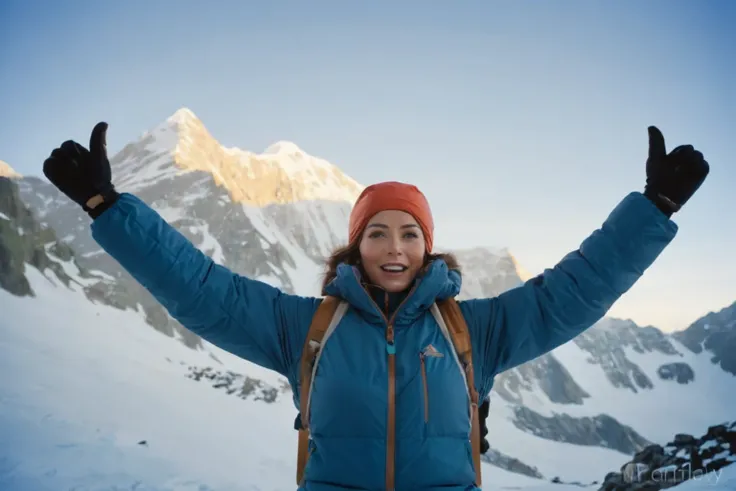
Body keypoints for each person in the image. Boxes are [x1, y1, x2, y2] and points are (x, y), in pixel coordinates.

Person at [42, 122, 709, 491]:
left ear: (429, 247)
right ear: (354, 246)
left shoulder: (471, 329)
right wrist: (109, 208)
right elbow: (200, 288)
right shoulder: (306, 328)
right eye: (378, 232)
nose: (395, 247)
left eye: (410, 233)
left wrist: (653, 211)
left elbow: (573, 291)